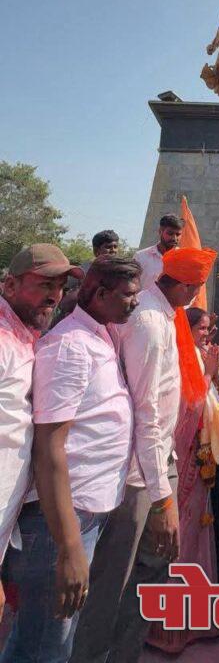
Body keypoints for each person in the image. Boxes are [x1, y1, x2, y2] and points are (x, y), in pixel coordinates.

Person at [70, 245, 217, 663]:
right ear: (188, 285)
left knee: (146, 576)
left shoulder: (161, 315)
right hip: (140, 474)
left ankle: (123, 654)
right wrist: (161, 497)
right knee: (118, 580)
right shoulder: (151, 323)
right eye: (197, 288)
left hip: (149, 464)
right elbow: (147, 412)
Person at [1, 256, 140, 663]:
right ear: (101, 295)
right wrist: (68, 547)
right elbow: (49, 449)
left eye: (60, 286)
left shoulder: (100, 337)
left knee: (42, 642)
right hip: (58, 522)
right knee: (46, 647)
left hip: (80, 516)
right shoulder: (70, 346)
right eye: (129, 296)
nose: (135, 304)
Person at [0, 245, 82, 622]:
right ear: (10, 283)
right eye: (44, 284)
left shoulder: (27, 336)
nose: (54, 295)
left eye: (61, 286)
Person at [147, 306, 219, 654]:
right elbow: (184, 414)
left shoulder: (199, 357)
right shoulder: (182, 361)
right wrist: (209, 375)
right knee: (180, 541)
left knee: (199, 537)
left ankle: (199, 619)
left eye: (210, 330)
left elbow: (214, 405)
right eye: (201, 329)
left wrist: (216, 377)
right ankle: (171, 629)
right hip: (182, 466)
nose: (207, 336)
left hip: (202, 465)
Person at [134, 213, 183, 290]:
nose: (174, 238)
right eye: (170, 233)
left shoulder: (184, 259)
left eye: (178, 234)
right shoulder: (141, 256)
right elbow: (132, 284)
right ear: (160, 231)